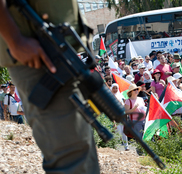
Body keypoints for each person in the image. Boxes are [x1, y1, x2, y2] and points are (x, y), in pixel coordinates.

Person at [0, 1, 102, 172]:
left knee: (81, 152)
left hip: (56, 46)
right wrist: (15, 40)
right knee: (70, 159)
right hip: (35, 52)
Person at [111, 83, 129, 151]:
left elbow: (124, 106)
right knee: (118, 131)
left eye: (116, 88)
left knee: (124, 132)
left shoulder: (121, 96)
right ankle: (115, 146)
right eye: (114, 88)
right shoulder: (109, 96)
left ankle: (126, 146)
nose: (115, 89)